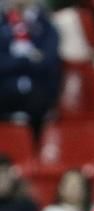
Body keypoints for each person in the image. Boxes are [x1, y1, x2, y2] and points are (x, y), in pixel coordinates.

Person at [0, 0, 61, 133]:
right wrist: (28, 59)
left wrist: (13, 59)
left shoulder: (46, 27)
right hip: (4, 92)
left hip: (39, 94)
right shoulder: (2, 25)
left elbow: (48, 62)